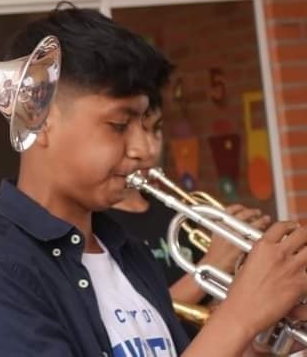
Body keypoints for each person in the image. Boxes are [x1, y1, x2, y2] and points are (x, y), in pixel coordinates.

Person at [0, 5, 307, 357]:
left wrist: (261, 337)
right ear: (39, 119)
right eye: (119, 125)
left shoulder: (127, 251)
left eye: (145, 124)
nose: (145, 150)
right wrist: (239, 315)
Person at [106, 87, 270, 336]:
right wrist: (213, 262)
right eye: (124, 129)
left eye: (156, 130)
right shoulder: (99, 225)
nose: (148, 149)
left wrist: (244, 268)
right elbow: (132, 319)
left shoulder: (173, 212)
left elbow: (212, 306)